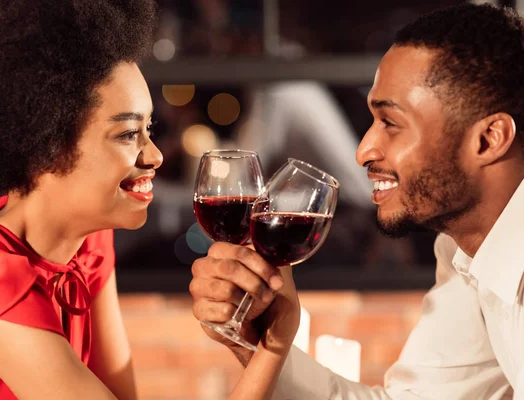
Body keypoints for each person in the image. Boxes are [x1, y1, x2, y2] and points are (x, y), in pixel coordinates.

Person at [190, 3, 524, 399]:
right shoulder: (464, 253)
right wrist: (264, 341)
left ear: (488, 139)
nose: (363, 150)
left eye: (391, 123)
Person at [0, 0, 162, 398]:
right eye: (127, 134)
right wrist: (270, 347)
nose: (153, 155)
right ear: (47, 147)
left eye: (149, 128)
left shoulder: (88, 244)